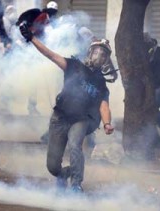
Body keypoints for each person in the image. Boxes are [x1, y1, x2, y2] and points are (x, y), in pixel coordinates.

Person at [19, 23, 114, 192]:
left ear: (106, 60)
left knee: (75, 145)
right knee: (52, 167)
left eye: (103, 55)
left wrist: (107, 123)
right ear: (90, 52)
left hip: (81, 119)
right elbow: (51, 55)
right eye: (97, 52)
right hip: (59, 118)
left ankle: (76, 184)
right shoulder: (74, 65)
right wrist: (32, 38)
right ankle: (64, 174)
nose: (99, 56)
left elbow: (104, 105)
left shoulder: (101, 82)